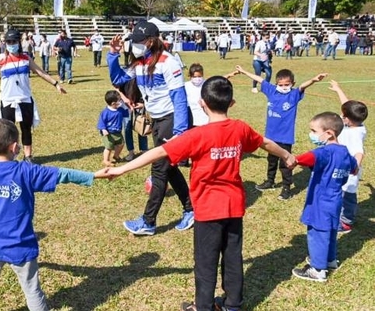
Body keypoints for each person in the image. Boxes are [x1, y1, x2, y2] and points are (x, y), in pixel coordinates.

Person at [106, 76, 296, 311]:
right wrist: (287, 156)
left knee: (206, 263)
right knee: (232, 256)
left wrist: (122, 168)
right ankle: (232, 304)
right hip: (234, 206)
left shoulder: (197, 135)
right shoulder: (240, 128)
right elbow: (266, 143)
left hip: (208, 210)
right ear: (232, 102)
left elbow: (158, 152)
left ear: (202, 103)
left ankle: (203, 306)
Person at [0, 118, 110, 311]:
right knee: (32, 291)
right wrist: (93, 175)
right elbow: (62, 174)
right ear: (15, 147)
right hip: (21, 246)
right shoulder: (26, 171)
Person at [107, 20, 194, 236]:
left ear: (152, 41)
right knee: (170, 168)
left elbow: (179, 98)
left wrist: (180, 132)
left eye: (139, 41)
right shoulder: (140, 63)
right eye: (133, 42)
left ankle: (148, 221)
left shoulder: (168, 62)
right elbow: (118, 79)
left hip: (170, 120)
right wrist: (112, 55)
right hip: (156, 120)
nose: (135, 45)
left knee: (159, 169)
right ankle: (191, 208)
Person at [0, 29, 67, 162]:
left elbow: (41, 72)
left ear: (18, 42)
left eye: (14, 41)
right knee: (7, 131)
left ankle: (28, 156)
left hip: (24, 99)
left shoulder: (26, 58)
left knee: (26, 128)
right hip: (7, 100)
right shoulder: (1, 59)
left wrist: (56, 84)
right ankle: (10, 157)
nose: (11, 44)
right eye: (8, 42)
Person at [236, 66, 327, 200]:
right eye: (281, 85)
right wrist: (244, 72)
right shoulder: (272, 91)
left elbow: (302, 86)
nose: (284, 87)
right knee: (271, 160)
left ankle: (286, 187)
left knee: (285, 163)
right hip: (271, 136)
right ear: (276, 84)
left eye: (287, 85)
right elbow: (259, 79)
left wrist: (313, 80)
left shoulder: (293, 95)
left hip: (285, 137)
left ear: (292, 84)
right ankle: (270, 181)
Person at [291, 112, 357, 282]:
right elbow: (354, 167)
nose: (312, 134)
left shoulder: (325, 152)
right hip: (335, 200)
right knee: (331, 231)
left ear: (328, 133)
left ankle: (317, 269)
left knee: (317, 234)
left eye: (314, 130)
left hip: (320, 202)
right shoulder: (344, 152)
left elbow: (310, 157)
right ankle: (330, 260)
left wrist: (294, 160)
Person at [329, 81, 368, 233]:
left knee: (347, 195)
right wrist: (338, 89)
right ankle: (341, 216)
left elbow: (359, 151)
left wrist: (355, 166)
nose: (341, 117)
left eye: (343, 116)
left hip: (350, 170)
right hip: (342, 166)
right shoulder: (353, 122)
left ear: (348, 119)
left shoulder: (357, 133)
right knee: (342, 193)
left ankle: (345, 221)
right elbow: (346, 104)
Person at [97, 90, 127, 166]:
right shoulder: (105, 112)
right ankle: (105, 160)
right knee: (108, 147)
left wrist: (125, 105)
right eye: (119, 100)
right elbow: (101, 122)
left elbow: (126, 113)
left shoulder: (120, 110)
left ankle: (116, 156)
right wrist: (103, 129)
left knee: (121, 144)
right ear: (113, 103)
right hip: (109, 133)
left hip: (118, 132)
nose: (121, 101)